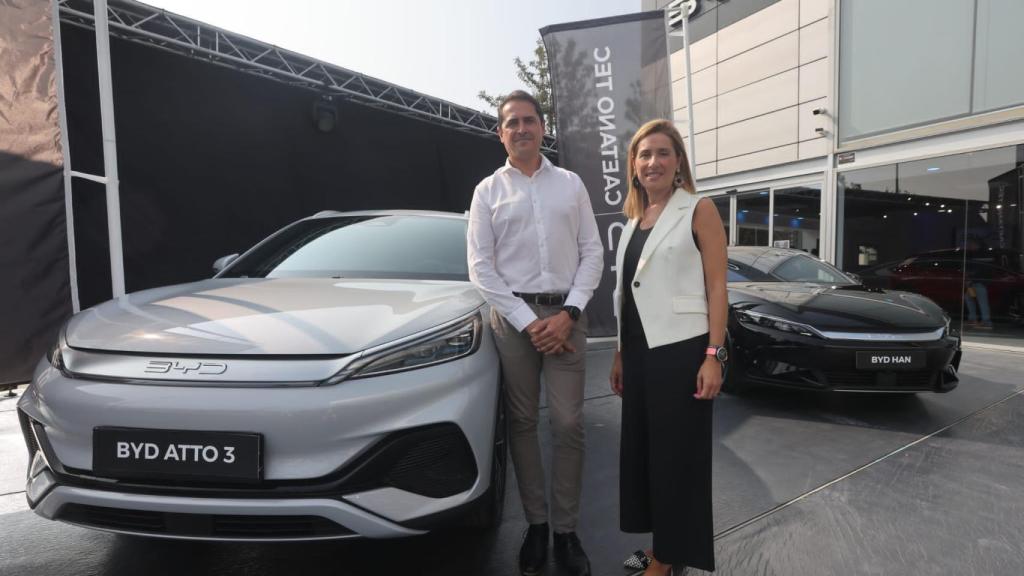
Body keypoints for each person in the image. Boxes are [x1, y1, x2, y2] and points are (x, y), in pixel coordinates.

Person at [467, 90, 603, 576]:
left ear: (543, 127)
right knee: (521, 424)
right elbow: (481, 269)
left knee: (568, 424)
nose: (521, 129)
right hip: (512, 321)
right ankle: (537, 525)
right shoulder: (487, 192)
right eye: (511, 123)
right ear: (500, 132)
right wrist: (530, 323)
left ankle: (567, 532)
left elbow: (593, 253)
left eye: (529, 120)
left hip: (568, 317)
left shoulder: (570, 184)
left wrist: (568, 312)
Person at [608, 119, 727, 575]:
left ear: (678, 162)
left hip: (681, 352)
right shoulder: (636, 218)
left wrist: (713, 356)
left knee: (678, 458)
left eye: (662, 153)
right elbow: (628, 292)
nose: (652, 161)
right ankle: (662, 546)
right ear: (633, 167)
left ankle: (668, 557)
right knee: (647, 455)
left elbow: (717, 287)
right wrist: (621, 352)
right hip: (639, 355)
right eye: (643, 155)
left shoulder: (698, 209)